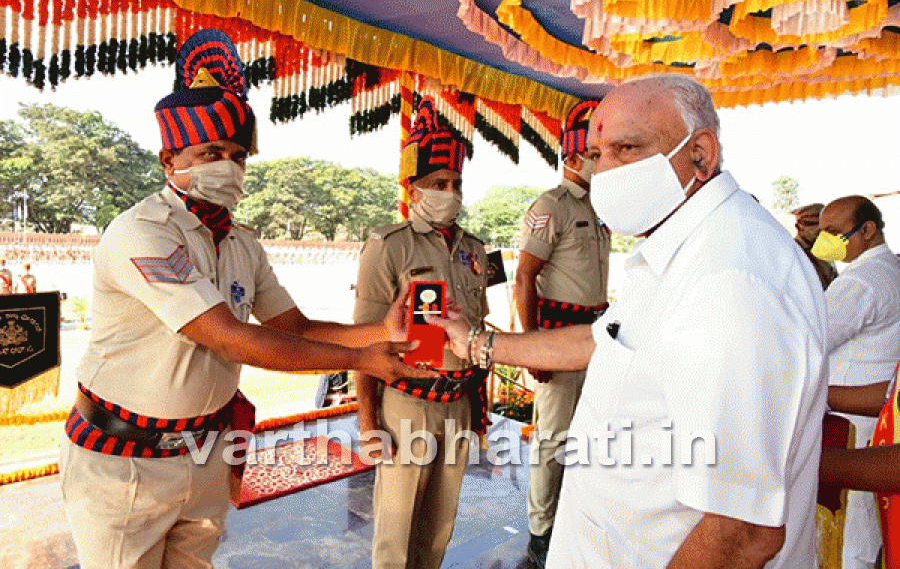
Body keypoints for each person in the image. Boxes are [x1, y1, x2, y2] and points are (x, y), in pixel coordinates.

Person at [58, 29, 435, 569]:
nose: (227, 166)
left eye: (237, 155)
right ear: (170, 161)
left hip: (207, 452)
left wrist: (383, 332)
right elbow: (230, 338)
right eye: (210, 152)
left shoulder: (241, 243)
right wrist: (359, 360)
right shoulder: (143, 232)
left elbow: (296, 328)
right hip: (124, 463)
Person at [429, 74, 828, 568]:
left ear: (701, 154)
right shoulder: (677, 248)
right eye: (598, 155)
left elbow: (741, 533)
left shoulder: (732, 279)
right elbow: (603, 340)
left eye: (627, 148)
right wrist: (477, 343)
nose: (606, 171)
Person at [353, 97, 489, 569]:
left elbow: (480, 331)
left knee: (438, 528)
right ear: (412, 189)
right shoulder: (388, 248)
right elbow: (365, 344)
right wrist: (368, 423)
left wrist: (481, 408)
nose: (450, 192)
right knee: (396, 532)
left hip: (459, 402)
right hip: (406, 405)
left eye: (455, 183)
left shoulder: (474, 251)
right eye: (438, 184)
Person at [514, 98, 610, 567]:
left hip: (594, 337)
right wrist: (531, 346)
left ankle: (573, 513)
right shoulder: (550, 206)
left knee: (588, 433)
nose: (600, 163)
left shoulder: (599, 208)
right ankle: (541, 527)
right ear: (571, 157)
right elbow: (524, 277)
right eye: (593, 154)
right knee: (552, 437)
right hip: (556, 337)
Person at [812, 195, 900, 569]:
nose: (825, 242)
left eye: (834, 233)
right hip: (877, 410)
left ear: (867, 230)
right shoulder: (890, 269)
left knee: (853, 539)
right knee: (869, 533)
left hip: (859, 423)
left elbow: (811, 338)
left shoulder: (863, 281)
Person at [792, 203, 838, 289]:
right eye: (818, 231)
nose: (824, 234)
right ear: (799, 227)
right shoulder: (793, 253)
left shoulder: (823, 249)